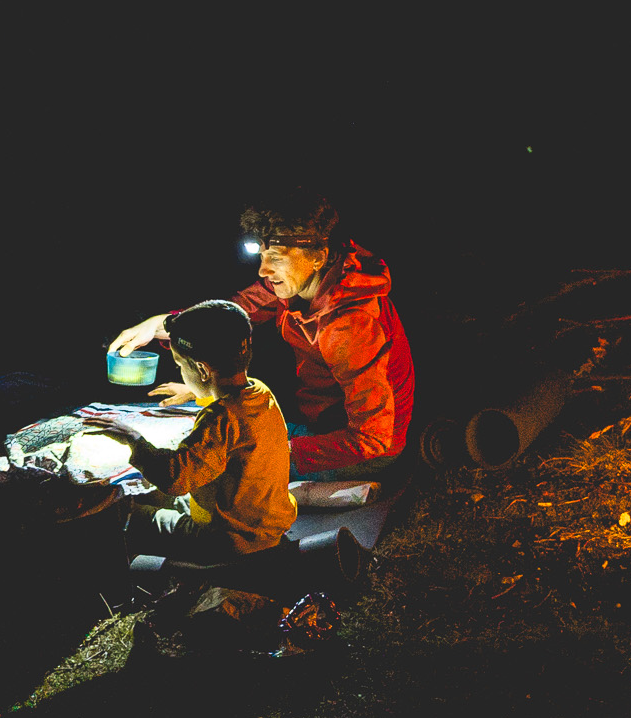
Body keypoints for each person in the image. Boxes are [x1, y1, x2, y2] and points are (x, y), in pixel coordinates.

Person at [110, 191, 414, 482]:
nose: (263, 271)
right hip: (321, 427)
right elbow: (233, 313)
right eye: (263, 255)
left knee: (214, 463)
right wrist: (163, 324)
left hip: (357, 453)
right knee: (205, 427)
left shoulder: (350, 326)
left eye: (277, 259)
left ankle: (320, 493)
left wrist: (274, 451)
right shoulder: (303, 279)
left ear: (318, 257)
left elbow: (373, 438)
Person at [86, 301, 296, 561]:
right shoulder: (260, 392)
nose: (179, 371)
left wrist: (133, 439)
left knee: (131, 513)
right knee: (157, 496)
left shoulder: (219, 418)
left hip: (232, 539)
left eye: (180, 365)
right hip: (262, 520)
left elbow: (175, 478)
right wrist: (193, 390)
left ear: (202, 369)